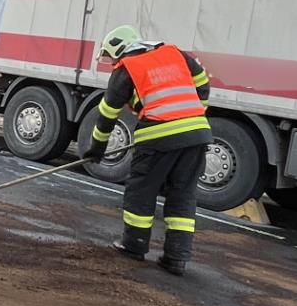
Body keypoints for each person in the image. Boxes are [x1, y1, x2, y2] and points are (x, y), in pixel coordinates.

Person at [82, 24, 211, 275]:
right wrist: (194, 115)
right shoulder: (174, 53)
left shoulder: (127, 68)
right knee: (183, 194)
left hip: (158, 136)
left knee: (142, 190)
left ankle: (134, 245)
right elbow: (203, 83)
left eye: (111, 57)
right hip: (197, 133)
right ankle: (176, 258)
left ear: (118, 50)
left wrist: (96, 148)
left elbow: (107, 114)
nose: (112, 63)